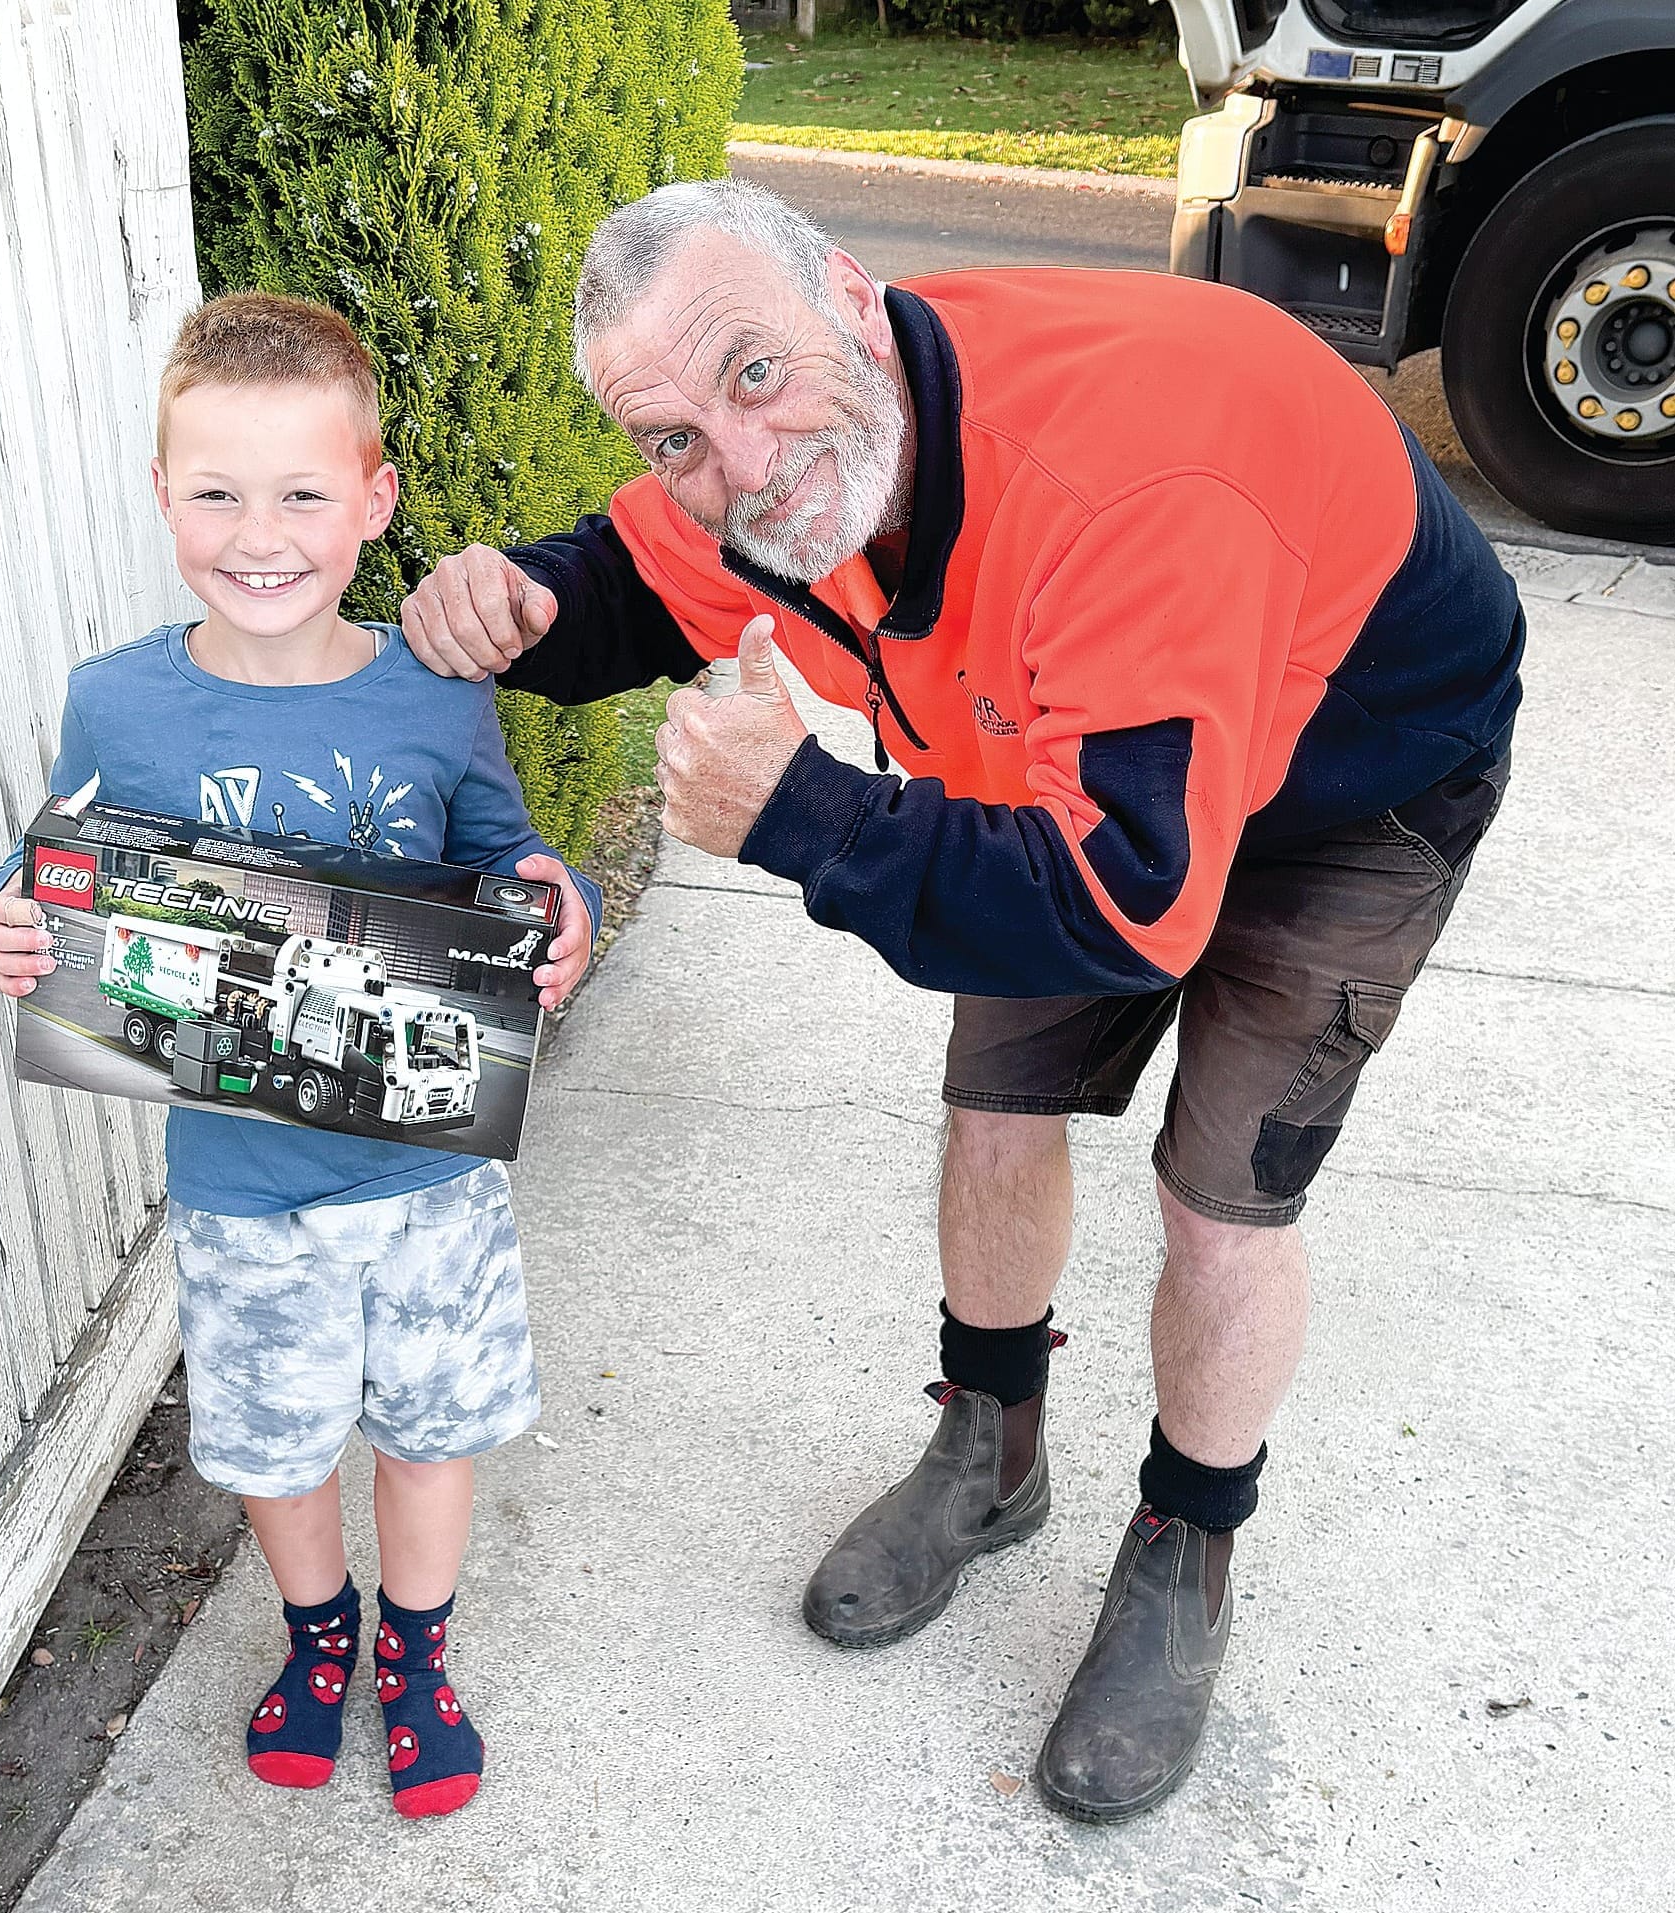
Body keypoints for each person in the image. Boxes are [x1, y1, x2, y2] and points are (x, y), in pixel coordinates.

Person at [397, 179, 1521, 1822]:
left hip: (1356, 770)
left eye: (753, 378)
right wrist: (519, 606)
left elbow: (1134, 906)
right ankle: (987, 1454)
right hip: (1091, 747)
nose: (742, 460)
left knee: (1220, 1199)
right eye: (674, 436)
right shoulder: (773, 470)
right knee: (992, 1115)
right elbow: (646, 582)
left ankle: (1185, 1542)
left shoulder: (1127, 477)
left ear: (852, 299)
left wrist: (804, 814)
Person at [0, 292, 600, 1818]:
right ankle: (320, 1638)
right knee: (275, 1438)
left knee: (427, 1430)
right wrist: (5, 913)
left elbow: (507, 857)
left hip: (425, 1172)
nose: (261, 534)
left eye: (303, 492)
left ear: (371, 500)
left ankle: (417, 1650)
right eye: (216, 492)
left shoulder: (434, 692)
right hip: (241, 1183)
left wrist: (557, 906)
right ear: (162, 495)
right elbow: (53, 866)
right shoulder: (117, 696)